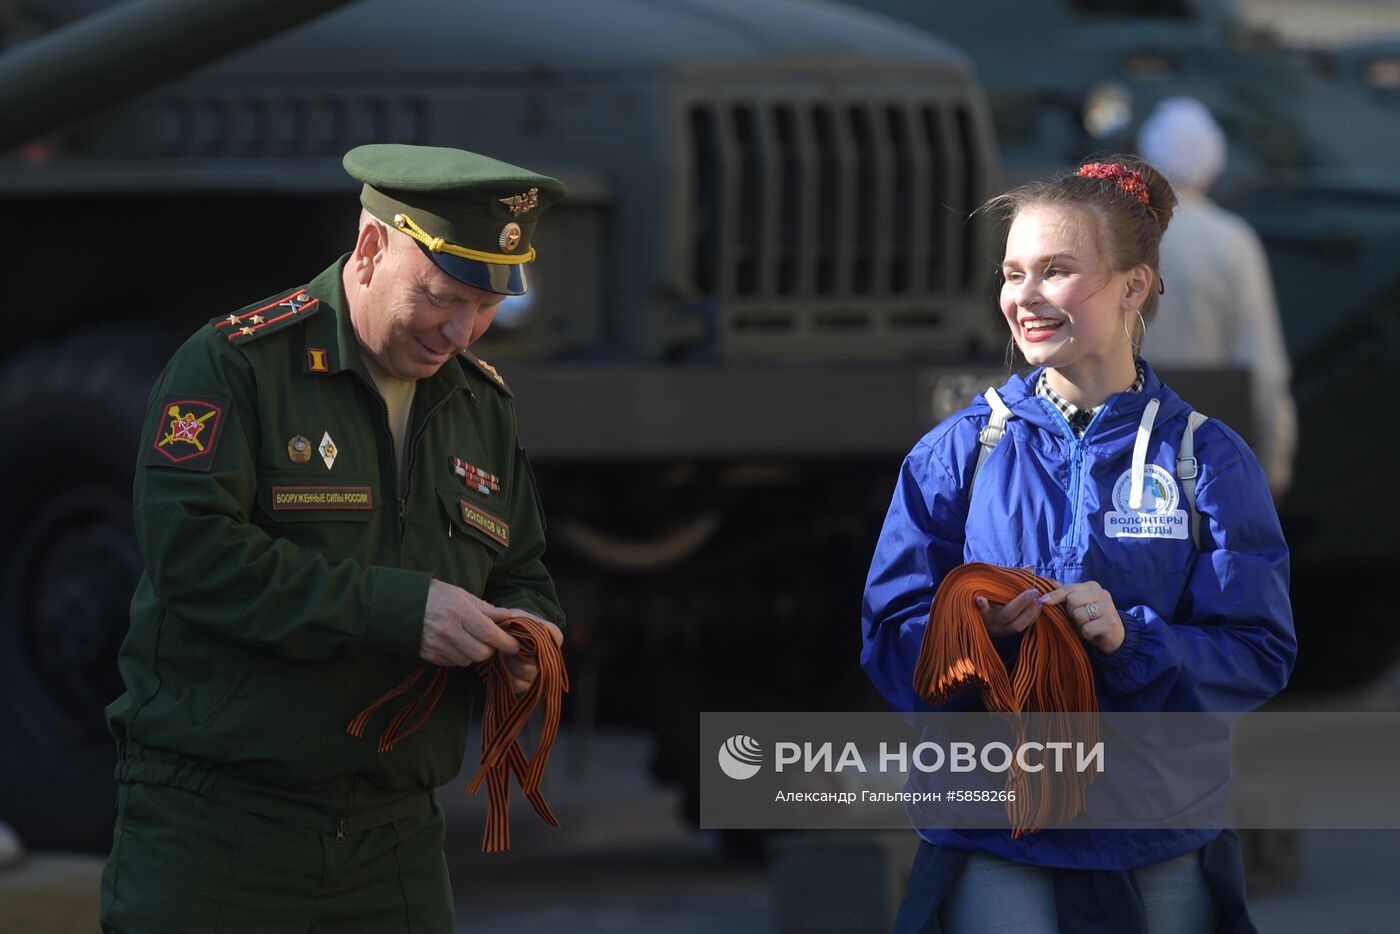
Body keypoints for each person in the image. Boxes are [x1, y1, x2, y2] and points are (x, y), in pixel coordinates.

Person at [99, 144, 567, 933]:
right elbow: (195, 558)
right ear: (372, 246)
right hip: (220, 825)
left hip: (396, 839)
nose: (462, 331)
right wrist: (399, 611)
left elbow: (519, 568)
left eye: (487, 308)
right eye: (442, 297)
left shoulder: (479, 403)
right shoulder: (232, 366)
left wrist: (528, 638)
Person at [861, 155, 1295, 933]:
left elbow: (1259, 651)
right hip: (998, 836)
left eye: (1055, 271)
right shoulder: (957, 453)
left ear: (1133, 286)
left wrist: (1135, 642)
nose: (1024, 297)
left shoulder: (1208, 458)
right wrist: (973, 634)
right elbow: (889, 639)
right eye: (1012, 273)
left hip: (1156, 835)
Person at [1137, 96, 1297, 499]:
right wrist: (1275, 457)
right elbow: (1260, 359)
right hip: (1206, 448)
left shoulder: (1121, 239)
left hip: (1126, 435)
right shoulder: (1233, 240)